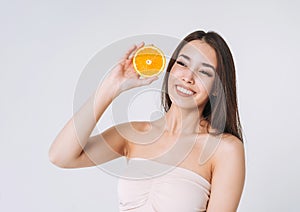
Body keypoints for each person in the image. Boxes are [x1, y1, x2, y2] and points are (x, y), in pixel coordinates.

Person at [49, 30, 246, 212]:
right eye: (182, 64)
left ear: (217, 88)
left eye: (204, 72)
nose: (187, 77)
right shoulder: (134, 134)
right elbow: (61, 156)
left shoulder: (225, 149)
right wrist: (111, 86)